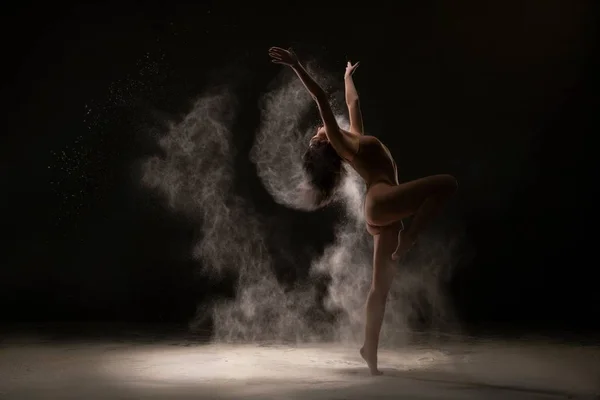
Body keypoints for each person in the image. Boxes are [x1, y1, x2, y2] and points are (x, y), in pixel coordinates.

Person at [268, 46, 458, 375]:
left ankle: (369, 349)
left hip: (382, 208)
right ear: (326, 144)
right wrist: (297, 65)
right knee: (447, 184)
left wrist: (346, 77)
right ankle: (409, 238)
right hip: (383, 200)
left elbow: (352, 103)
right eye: (317, 134)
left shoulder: (353, 137)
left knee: (379, 288)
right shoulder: (343, 144)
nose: (318, 129)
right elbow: (321, 101)